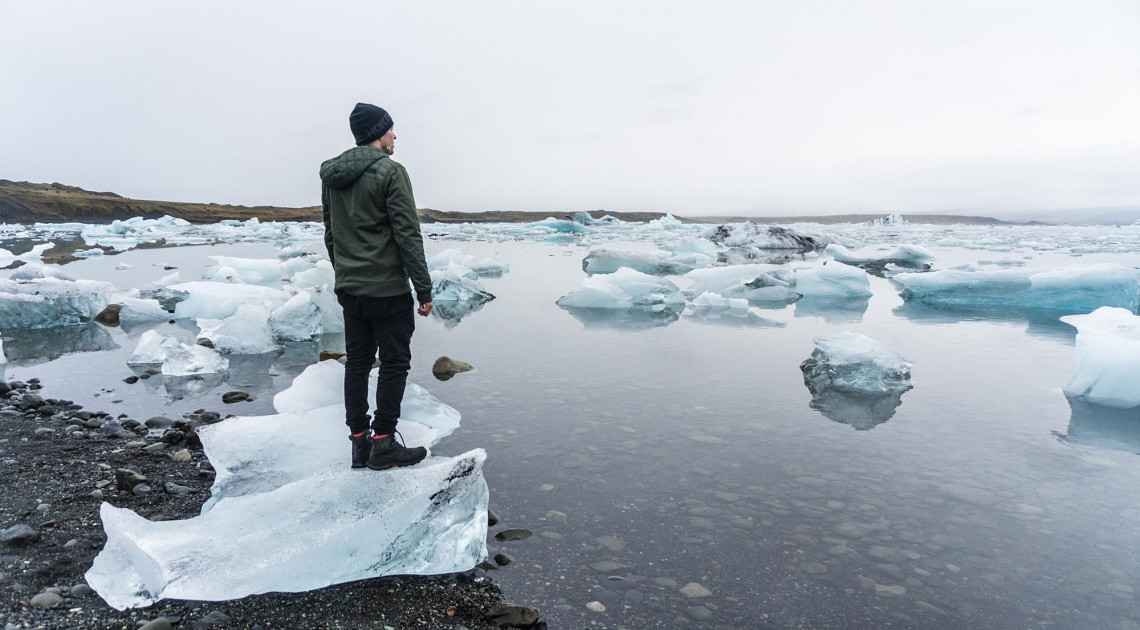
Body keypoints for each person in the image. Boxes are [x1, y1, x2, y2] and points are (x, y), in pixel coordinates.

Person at [319, 102, 434, 471]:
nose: (395, 135)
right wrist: (424, 289)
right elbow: (407, 235)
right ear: (377, 134)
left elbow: (331, 233)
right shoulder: (391, 171)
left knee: (357, 364)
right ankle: (383, 443)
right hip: (387, 289)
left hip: (351, 289)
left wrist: (345, 273)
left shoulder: (332, 176)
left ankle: (359, 444)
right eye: (390, 130)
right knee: (395, 363)